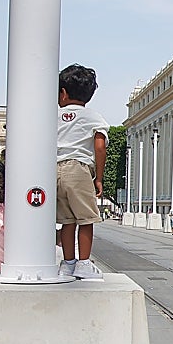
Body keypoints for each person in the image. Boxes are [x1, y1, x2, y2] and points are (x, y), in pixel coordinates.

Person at [56, 64, 108, 280]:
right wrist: (99, 178)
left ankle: (68, 263)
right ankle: (84, 264)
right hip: (79, 169)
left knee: (67, 220)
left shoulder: (53, 115)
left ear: (63, 92)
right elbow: (99, 145)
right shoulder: (92, 116)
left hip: (55, 169)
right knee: (85, 219)